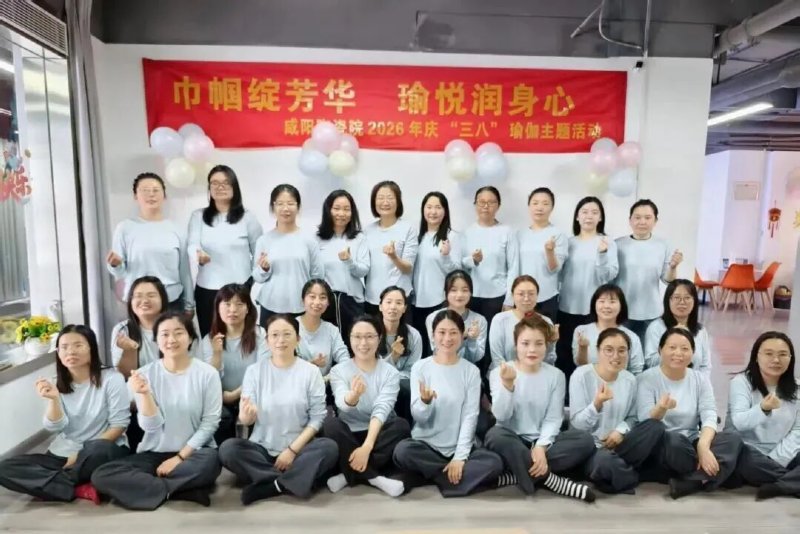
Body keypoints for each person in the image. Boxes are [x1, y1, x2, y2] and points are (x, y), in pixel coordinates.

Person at [92, 312, 222, 510]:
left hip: (193, 453)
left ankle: (151, 487)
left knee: (211, 461)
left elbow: (210, 424)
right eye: (164, 334)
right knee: (101, 475)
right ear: (156, 341)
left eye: (178, 333)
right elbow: (150, 427)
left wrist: (179, 458)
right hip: (154, 452)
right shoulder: (143, 374)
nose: (171, 339)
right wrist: (144, 394)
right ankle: (176, 489)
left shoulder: (207, 374)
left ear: (190, 338)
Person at [0, 325, 130, 504]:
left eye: (78, 345)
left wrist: (80, 455)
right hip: (63, 453)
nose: (71, 351)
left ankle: (54, 485)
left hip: (99, 452)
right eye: (64, 347)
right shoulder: (55, 383)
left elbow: (119, 425)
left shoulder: (112, 379)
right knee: (5, 468)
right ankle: (76, 487)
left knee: (99, 449)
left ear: (91, 348)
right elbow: (55, 427)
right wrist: (53, 399)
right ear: (58, 353)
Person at [217, 314, 338, 505]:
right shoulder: (254, 372)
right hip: (262, 449)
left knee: (329, 448)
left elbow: (317, 419)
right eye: (274, 335)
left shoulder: (310, 372)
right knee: (228, 450)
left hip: (299, 449)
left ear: (297, 339)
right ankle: (294, 480)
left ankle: (272, 485)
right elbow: (246, 419)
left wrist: (291, 451)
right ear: (267, 341)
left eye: (287, 334)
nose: (281, 340)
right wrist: (246, 416)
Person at [485, 315, 596, 502]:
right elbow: (502, 417)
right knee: (494, 436)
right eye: (525, 343)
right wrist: (508, 385)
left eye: (539, 343)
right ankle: (551, 480)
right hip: (513, 440)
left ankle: (516, 473)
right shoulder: (500, 372)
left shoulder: (556, 375)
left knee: (585, 440)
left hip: (544, 442)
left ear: (546, 346)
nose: (532, 349)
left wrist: (541, 447)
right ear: (516, 345)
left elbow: (553, 418)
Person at [393, 310, 504, 497]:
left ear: (461, 336)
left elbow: (470, 416)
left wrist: (459, 457)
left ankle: (430, 476)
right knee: (402, 452)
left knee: (494, 462)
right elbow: (419, 417)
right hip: (426, 445)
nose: (447, 338)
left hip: (459, 446)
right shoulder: (421, 367)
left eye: (453, 333)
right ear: (433, 335)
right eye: (442, 332)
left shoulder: (471, 371)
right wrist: (425, 403)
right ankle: (453, 480)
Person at [636, 328, 742, 499]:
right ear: (660, 350)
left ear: (693, 353)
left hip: (692, 442)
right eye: (672, 347)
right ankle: (711, 475)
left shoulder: (700, 379)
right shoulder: (646, 379)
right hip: (664, 445)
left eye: (685, 349)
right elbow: (645, 421)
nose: (678, 353)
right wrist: (661, 408)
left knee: (733, 439)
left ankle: (693, 481)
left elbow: (709, 414)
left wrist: (703, 447)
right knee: (674, 442)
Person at [324, 315, 411, 496]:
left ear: (379, 339)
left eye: (369, 336)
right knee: (330, 425)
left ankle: (348, 475)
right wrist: (353, 396)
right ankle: (375, 478)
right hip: (349, 433)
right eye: (357, 337)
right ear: (350, 339)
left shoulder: (390, 372)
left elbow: (382, 410)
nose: (363, 343)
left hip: (378, 434)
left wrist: (367, 447)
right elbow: (342, 404)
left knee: (401, 425)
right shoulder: (338, 370)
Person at [570, 328, 665, 494]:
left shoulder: (630, 380)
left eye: (622, 351)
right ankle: (632, 476)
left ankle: (613, 475)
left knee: (655, 426)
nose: (616, 356)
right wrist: (596, 404)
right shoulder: (581, 376)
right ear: (598, 351)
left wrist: (620, 431)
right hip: (591, 449)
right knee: (603, 461)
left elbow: (632, 417)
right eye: (609, 350)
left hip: (619, 444)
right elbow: (578, 424)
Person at [188, 165, 262, 337]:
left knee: (241, 339)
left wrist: (251, 282)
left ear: (234, 187)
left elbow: (259, 251)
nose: (220, 187)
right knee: (211, 339)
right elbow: (192, 244)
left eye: (225, 182)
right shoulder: (198, 216)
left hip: (239, 289)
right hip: (208, 289)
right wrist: (198, 255)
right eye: (214, 183)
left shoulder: (247, 217)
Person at [725, 332, 800, 500]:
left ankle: (780, 486)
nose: (776, 360)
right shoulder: (741, 382)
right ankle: (791, 482)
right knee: (741, 455)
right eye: (769, 354)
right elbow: (740, 422)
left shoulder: (797, 388)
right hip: (749, 452)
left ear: (791, 358)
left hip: (782, 454)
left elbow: (798, 431)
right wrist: (763, 408)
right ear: (756, 357)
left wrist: (777, 459)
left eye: (782, 354)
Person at [106, 172, 194, 315]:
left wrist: (189, 304)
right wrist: (115, 264)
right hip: (140, 302)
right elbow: (119, 272)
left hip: (171, 300)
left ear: (164, 196)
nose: (151, 194)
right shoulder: (125, 228)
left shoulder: (177, 229)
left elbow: (184, 270)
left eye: (156, 190)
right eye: (145, 190)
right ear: (135, 196)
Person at [557, 196, 619, 380]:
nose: (589, 216)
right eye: (584, 212)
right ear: (577, 217)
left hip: (595, 309)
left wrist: (602, 254)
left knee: (592, 353)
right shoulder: (569, 242)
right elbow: (558, 274)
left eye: (594, 212)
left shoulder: (607, 242)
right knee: (565, 354)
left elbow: (609, 276)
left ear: (600, 218)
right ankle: (568, 392)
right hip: (568, 306)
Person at [201, 283, 268, 444]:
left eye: (239, 304)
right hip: (220, 399)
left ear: (248, 309)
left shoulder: (260, 334)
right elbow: (207, 380)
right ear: (218, 308)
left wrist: (235, 395)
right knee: (218, 416)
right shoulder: (209, 340)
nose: (233, 310)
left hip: (254, 395)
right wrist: (217, 354)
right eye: (227, 304)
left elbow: (263, 371)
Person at [252, 184, 323, 327]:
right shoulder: (264, 240)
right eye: (280, 204)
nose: (285, 208)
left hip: (302, 307)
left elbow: (318, 276)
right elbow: (257, 277)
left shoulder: (309, 240)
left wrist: (313, 301)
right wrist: (264, 269)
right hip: (271, 306)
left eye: (290, 203)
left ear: (298, 207)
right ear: (273, 207)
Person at [615, 199, 682, 343]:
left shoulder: (663, 245)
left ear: (655, 220)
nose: (642, 222)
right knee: (623, 350)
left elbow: (668, 280)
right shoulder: (618, 244)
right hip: (623, 311)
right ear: (630, 220)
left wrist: (673, 267)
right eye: (637, 217)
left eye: (647, 217)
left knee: (650, 351)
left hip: (652, 312)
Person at [461, 186, 518, 334]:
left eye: (491, 202)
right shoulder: (467, 232)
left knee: (494, 338)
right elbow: (462, 265)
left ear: (498, 205)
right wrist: (473, 260)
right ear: (475, 204)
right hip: (471, 296)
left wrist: (509, 300)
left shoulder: (507, 231)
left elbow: (514, 267)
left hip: (497, 296)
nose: (486, 206)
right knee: (473, 337)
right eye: (481, 202)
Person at [412, 192, 462, 357]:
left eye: (438, 207)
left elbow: (457, 272)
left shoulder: (451, 236)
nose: (433, 212)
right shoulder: (417, 237)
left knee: (437, 348)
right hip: (416, 301)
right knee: (419, 348)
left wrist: (446, 256)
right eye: (429, 207)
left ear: (445, 211)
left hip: (439, 300)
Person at [316, 190, 369, 341]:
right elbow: (314, 273)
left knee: (354, 343)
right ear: (328, 210)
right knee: (329, 343)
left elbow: (364, 270)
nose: (341, 213)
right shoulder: (317, 239)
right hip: (327, 303)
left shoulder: (359, 238)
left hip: (352, 302)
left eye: (346, 209)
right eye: (337, 208)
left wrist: (349, 262)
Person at [363, 181, 418, 317]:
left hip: (399, 300)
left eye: (390, 198)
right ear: (374, 202)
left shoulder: (408, 228)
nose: (385, 202)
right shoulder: (367, 231)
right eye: (380, 198)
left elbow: (408, 268)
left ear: (398, 202)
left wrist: (394, 256)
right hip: (373, 299)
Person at [515, 187, 567, 322]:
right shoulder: (519, 234)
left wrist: (550, 252)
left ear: (552, 208)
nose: (539, 207)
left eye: (545, 203)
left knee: (546, 334)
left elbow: (555, 269)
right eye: (535, 203)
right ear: (529, 206)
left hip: (546, 297)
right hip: (522, 298)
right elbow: (514, 267)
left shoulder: (558, 234)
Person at [572, 284, 644, 375]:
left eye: (612, 302)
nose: (606, 306)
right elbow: (580, 365)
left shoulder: (631, 336)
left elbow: (636, 370)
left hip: (621, 382)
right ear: (594, 304)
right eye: (602, 301)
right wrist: (583, 348)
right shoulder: (582, 331)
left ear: (621, 305)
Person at [644, 279, 711, 375]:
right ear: (668, 300)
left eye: (687, 298)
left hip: (693, 381)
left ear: (694, 301)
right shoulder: (656, 327)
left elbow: (705, 366)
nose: (682, 302)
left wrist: (701, 382)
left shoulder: (701, 330)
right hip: (663, 380)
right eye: (677, 297)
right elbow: (650, 362)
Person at [489, 275, 556, 369]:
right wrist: (510, 375)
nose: (526, 298)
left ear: (537, 296)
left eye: (531, 294)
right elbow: (497, 358)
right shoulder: (499, 320)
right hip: (504, 374)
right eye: (521, 294)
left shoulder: (546, 322)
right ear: (512, 296)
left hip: (535, 374)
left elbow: (549, 362)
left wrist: (551, 343)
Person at [109, 276, 169, 379]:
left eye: (151, 295)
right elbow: (124, 376)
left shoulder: (177, 327)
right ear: (131, 301)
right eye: (138, 296)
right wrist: (130, 350)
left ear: (163, 299)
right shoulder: (122, 330)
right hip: (136, 386)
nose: (145, 300)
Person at [376, 286, 422, 422]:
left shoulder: (413, 335)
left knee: (406, 388)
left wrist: (393, 378)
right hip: (375, 381)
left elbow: (413, 371)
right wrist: (393, 357)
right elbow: (371, 369)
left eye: (398, 303)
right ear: (380, 306)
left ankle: (406, 428)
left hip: (402, 383)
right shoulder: (371, 332)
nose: (393, 307)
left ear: (405, 308)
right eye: (388, 302)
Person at [425, 270, 488, 366]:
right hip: (441, 368)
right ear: (445, 293)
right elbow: (437, 351)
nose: (459, 295)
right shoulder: (433, 318)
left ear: (471, 293)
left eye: (465, 290)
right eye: (453, 290)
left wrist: (472, 341)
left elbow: (476, 358)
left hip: (468, 370)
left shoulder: (479, 320)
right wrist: (462, 336)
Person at [291, 279, 351, 379]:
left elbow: (344, 359)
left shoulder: (331, 330)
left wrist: (331, 377)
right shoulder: (290, 327)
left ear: (328, 303)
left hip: (325, 384)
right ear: (303, 300)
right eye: (312, 297)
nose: (317, 302)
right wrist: (311, 365)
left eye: (323, 297)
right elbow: (283, 364)